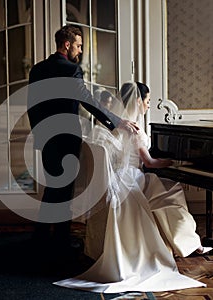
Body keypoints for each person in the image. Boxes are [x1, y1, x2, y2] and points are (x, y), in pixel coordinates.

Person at [53, 81, 212, 293]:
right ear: (138, 101)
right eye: (147, 101)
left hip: (115, 181)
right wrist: (175, 162)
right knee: (172, 190)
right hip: (131, 181)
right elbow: (150, 163)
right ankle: (190, 243)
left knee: (162, 189)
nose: (148, 106)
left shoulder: (110, 125)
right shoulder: (133, 128)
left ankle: (182, 242)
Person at [27, 25, 138, 259]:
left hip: (46, 137)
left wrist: (40, 134)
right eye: (78, 45)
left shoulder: (37, 70)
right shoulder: (71, 70)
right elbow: (87, 100)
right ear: (66, 45)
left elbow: (32, 107)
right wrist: (117, 122)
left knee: (53, 187)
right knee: (62, 191)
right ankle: (59, 244)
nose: (80, 50)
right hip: (66, 139)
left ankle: (41, 239)